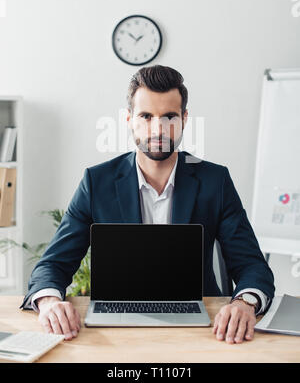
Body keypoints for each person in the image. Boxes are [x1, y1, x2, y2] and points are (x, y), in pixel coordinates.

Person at [21, 65, 275, 344]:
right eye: (146, 116)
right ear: (130, 119)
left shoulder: (215, 180)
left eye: (169, 116)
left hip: (203, 328)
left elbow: (252, 265)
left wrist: (244, 303)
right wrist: (48, 302)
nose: (158, 128)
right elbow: (53, 264)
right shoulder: (97, 181)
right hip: (112, 328)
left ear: (184, 120)